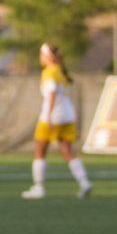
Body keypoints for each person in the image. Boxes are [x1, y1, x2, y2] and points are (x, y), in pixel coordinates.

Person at [22, 43, 92, 199]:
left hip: (52, 116)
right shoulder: (60, 70)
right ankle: (84, 182)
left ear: (48, 57)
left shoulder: (49, 72)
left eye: (42, 55)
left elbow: (52, 93)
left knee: (40, 150)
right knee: (67, 150)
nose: (40, 59)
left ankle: (38, 187)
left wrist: (48, 116)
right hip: (67, 115)